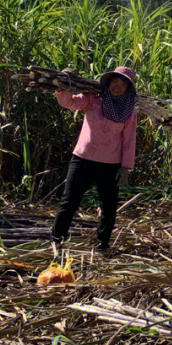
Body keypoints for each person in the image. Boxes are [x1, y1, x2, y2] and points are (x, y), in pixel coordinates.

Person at [51, 67, 138, 255]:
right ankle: (57, 241)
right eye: (115, 81)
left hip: (110, 165)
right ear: (108, 82)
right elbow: (68, 102)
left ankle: (102, 245)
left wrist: (126, 167)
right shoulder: (93, 98)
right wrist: (65, 83)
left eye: (123, 84)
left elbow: (129, 140)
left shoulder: (129, 111)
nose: (117, 86)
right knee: (69, 202)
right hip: (83, 159)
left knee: (109, 207)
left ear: (128, 90)